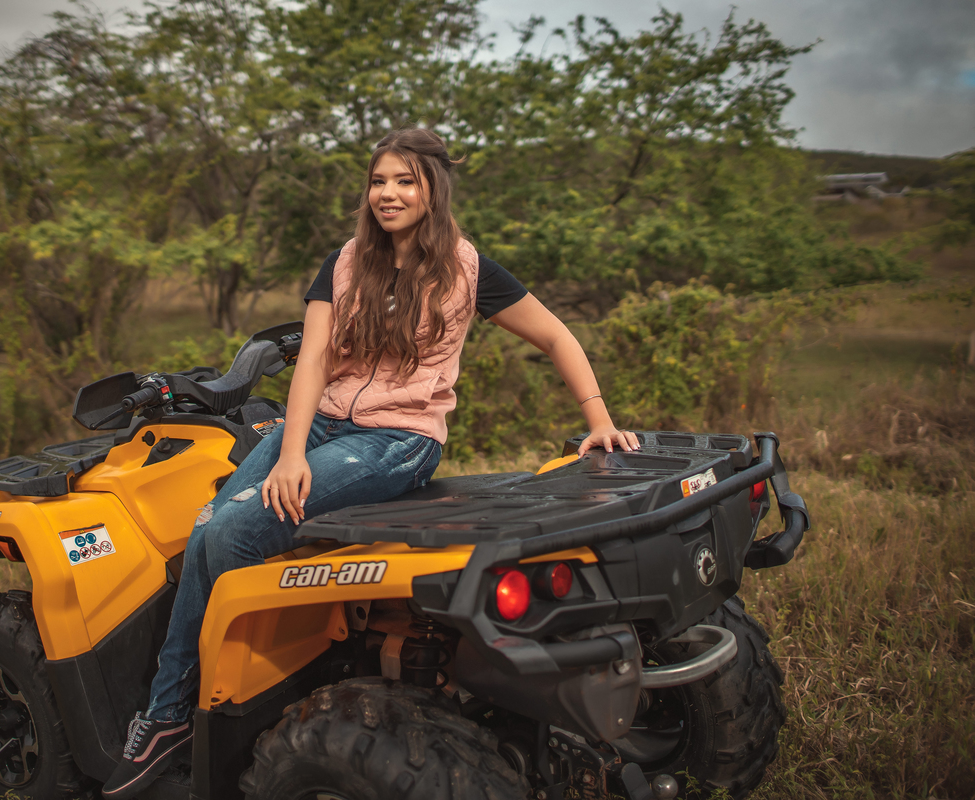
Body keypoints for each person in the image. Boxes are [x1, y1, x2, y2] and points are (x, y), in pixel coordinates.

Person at [101, 128, 639, 798]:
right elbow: (314, 365)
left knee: (228, 532)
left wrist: (599, 421)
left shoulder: (467, 269)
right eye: (378, 181)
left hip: (396, 439)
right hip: (320, 426)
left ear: (433, 189)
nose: (387, 194)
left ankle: (175, 716)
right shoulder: (346, 262)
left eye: (404, 181)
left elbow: (556, 334)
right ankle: (196, 704)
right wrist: (291, 451)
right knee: (214, 522)